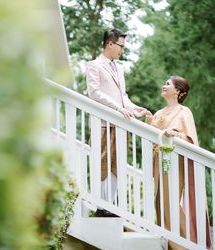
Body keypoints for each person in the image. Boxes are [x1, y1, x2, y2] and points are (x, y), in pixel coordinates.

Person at [86, 28, 150, 217]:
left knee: (117, 164)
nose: (122, 50)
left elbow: (123, 97)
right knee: (102, 162)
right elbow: (94, 93)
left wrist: (134, 108)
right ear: (110, 44)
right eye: (121, 46)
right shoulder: (94, 65)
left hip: (121, 125)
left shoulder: (119, 68)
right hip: (103, 123)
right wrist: (118, 108)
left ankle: (111, 205)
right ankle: (100, 206)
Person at [146, 76, 211, 250]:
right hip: (158, 162)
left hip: (176, 163)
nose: (163, 85)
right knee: (159, 202)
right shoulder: (159, 113)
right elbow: (151, 135)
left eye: (168, 84)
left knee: (169, 202)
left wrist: (175, 134)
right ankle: (170, 244)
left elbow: (190, 139)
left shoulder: (184, 112)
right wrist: (147, 118)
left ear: (178, 91)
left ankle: (186, 245)